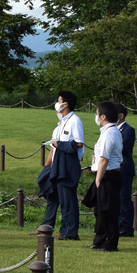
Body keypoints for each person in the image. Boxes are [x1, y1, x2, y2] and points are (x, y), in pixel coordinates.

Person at [41, 91, 85, 240]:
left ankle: (71, 232)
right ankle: (65, 229)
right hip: (60, 163)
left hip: (69, 164)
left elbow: (79, 143)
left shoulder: (75, 121)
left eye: (59, 101)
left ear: (65, 104)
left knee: (69, 199)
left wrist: (59, 144)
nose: (57, 103)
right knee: (63, 200)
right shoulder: (63, 122)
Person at [86, 101, 122, 251]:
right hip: (105, 173)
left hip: (108, 175)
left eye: (97, 114)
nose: (96, 117)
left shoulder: (110, 133)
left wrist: (98, 178)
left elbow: (104, 158)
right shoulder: (109, 132)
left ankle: (110, 243)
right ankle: (99, 240)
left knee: (108, 210)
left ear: (103, 116)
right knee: (100, 210)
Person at [116, 104, 137, 237]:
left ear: (121, 115)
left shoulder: (128, 130)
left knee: (124, 198)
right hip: (116, 168)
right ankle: (118, 224)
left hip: (125, 168)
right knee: (117, 199)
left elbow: (123, 148)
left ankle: (127, 227)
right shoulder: (112, 130)